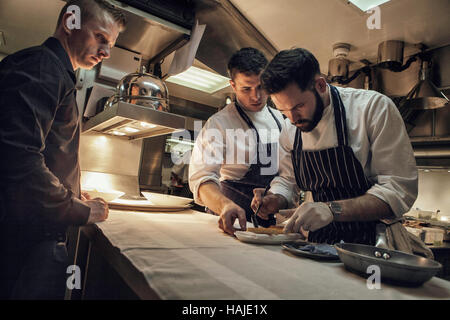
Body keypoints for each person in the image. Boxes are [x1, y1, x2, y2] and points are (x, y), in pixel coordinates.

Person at [0, 0, 126, 299]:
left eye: (111, 44)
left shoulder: (55, 73)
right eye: (101, 38)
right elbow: (18, 159)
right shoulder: (42, 66)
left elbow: (44, 152)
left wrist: (69, 191)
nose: (106, 52)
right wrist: (77, 208)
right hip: (22, 240)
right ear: (70, 21)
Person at [252, 48, 419, 246]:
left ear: (321, 85)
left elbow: (398, 189)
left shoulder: (373, 108)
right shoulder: (290, 128)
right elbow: (288, 180)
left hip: (373, 246)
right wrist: (277, 198)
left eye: (298, 106)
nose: (293, 118)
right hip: (318, 244)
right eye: (283, 111)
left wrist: (332, 209)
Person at [189, 48, 286, 235]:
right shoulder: (219, 124)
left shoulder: (281, 120)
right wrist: (224, 205)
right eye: (246, 89)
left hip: (268, 224)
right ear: (233, 86)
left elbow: (287, 174)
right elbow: (202, 179)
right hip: (229, 220)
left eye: (261, 87)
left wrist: (279, 197)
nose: (256, 96)